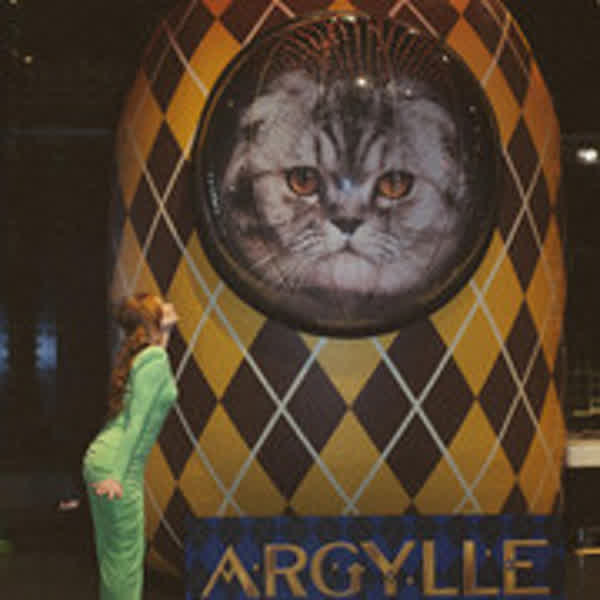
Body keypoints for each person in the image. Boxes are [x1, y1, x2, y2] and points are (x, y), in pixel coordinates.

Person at [82, 293, 179, 599]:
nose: (170, 305)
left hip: (104, 459)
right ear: (154, 318)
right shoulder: (155, 360)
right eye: (162, 303)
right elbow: (136, 423)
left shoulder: (149, 356)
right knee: (125, 562)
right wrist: (117, 476)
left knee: (114, 558)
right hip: (117, 467)